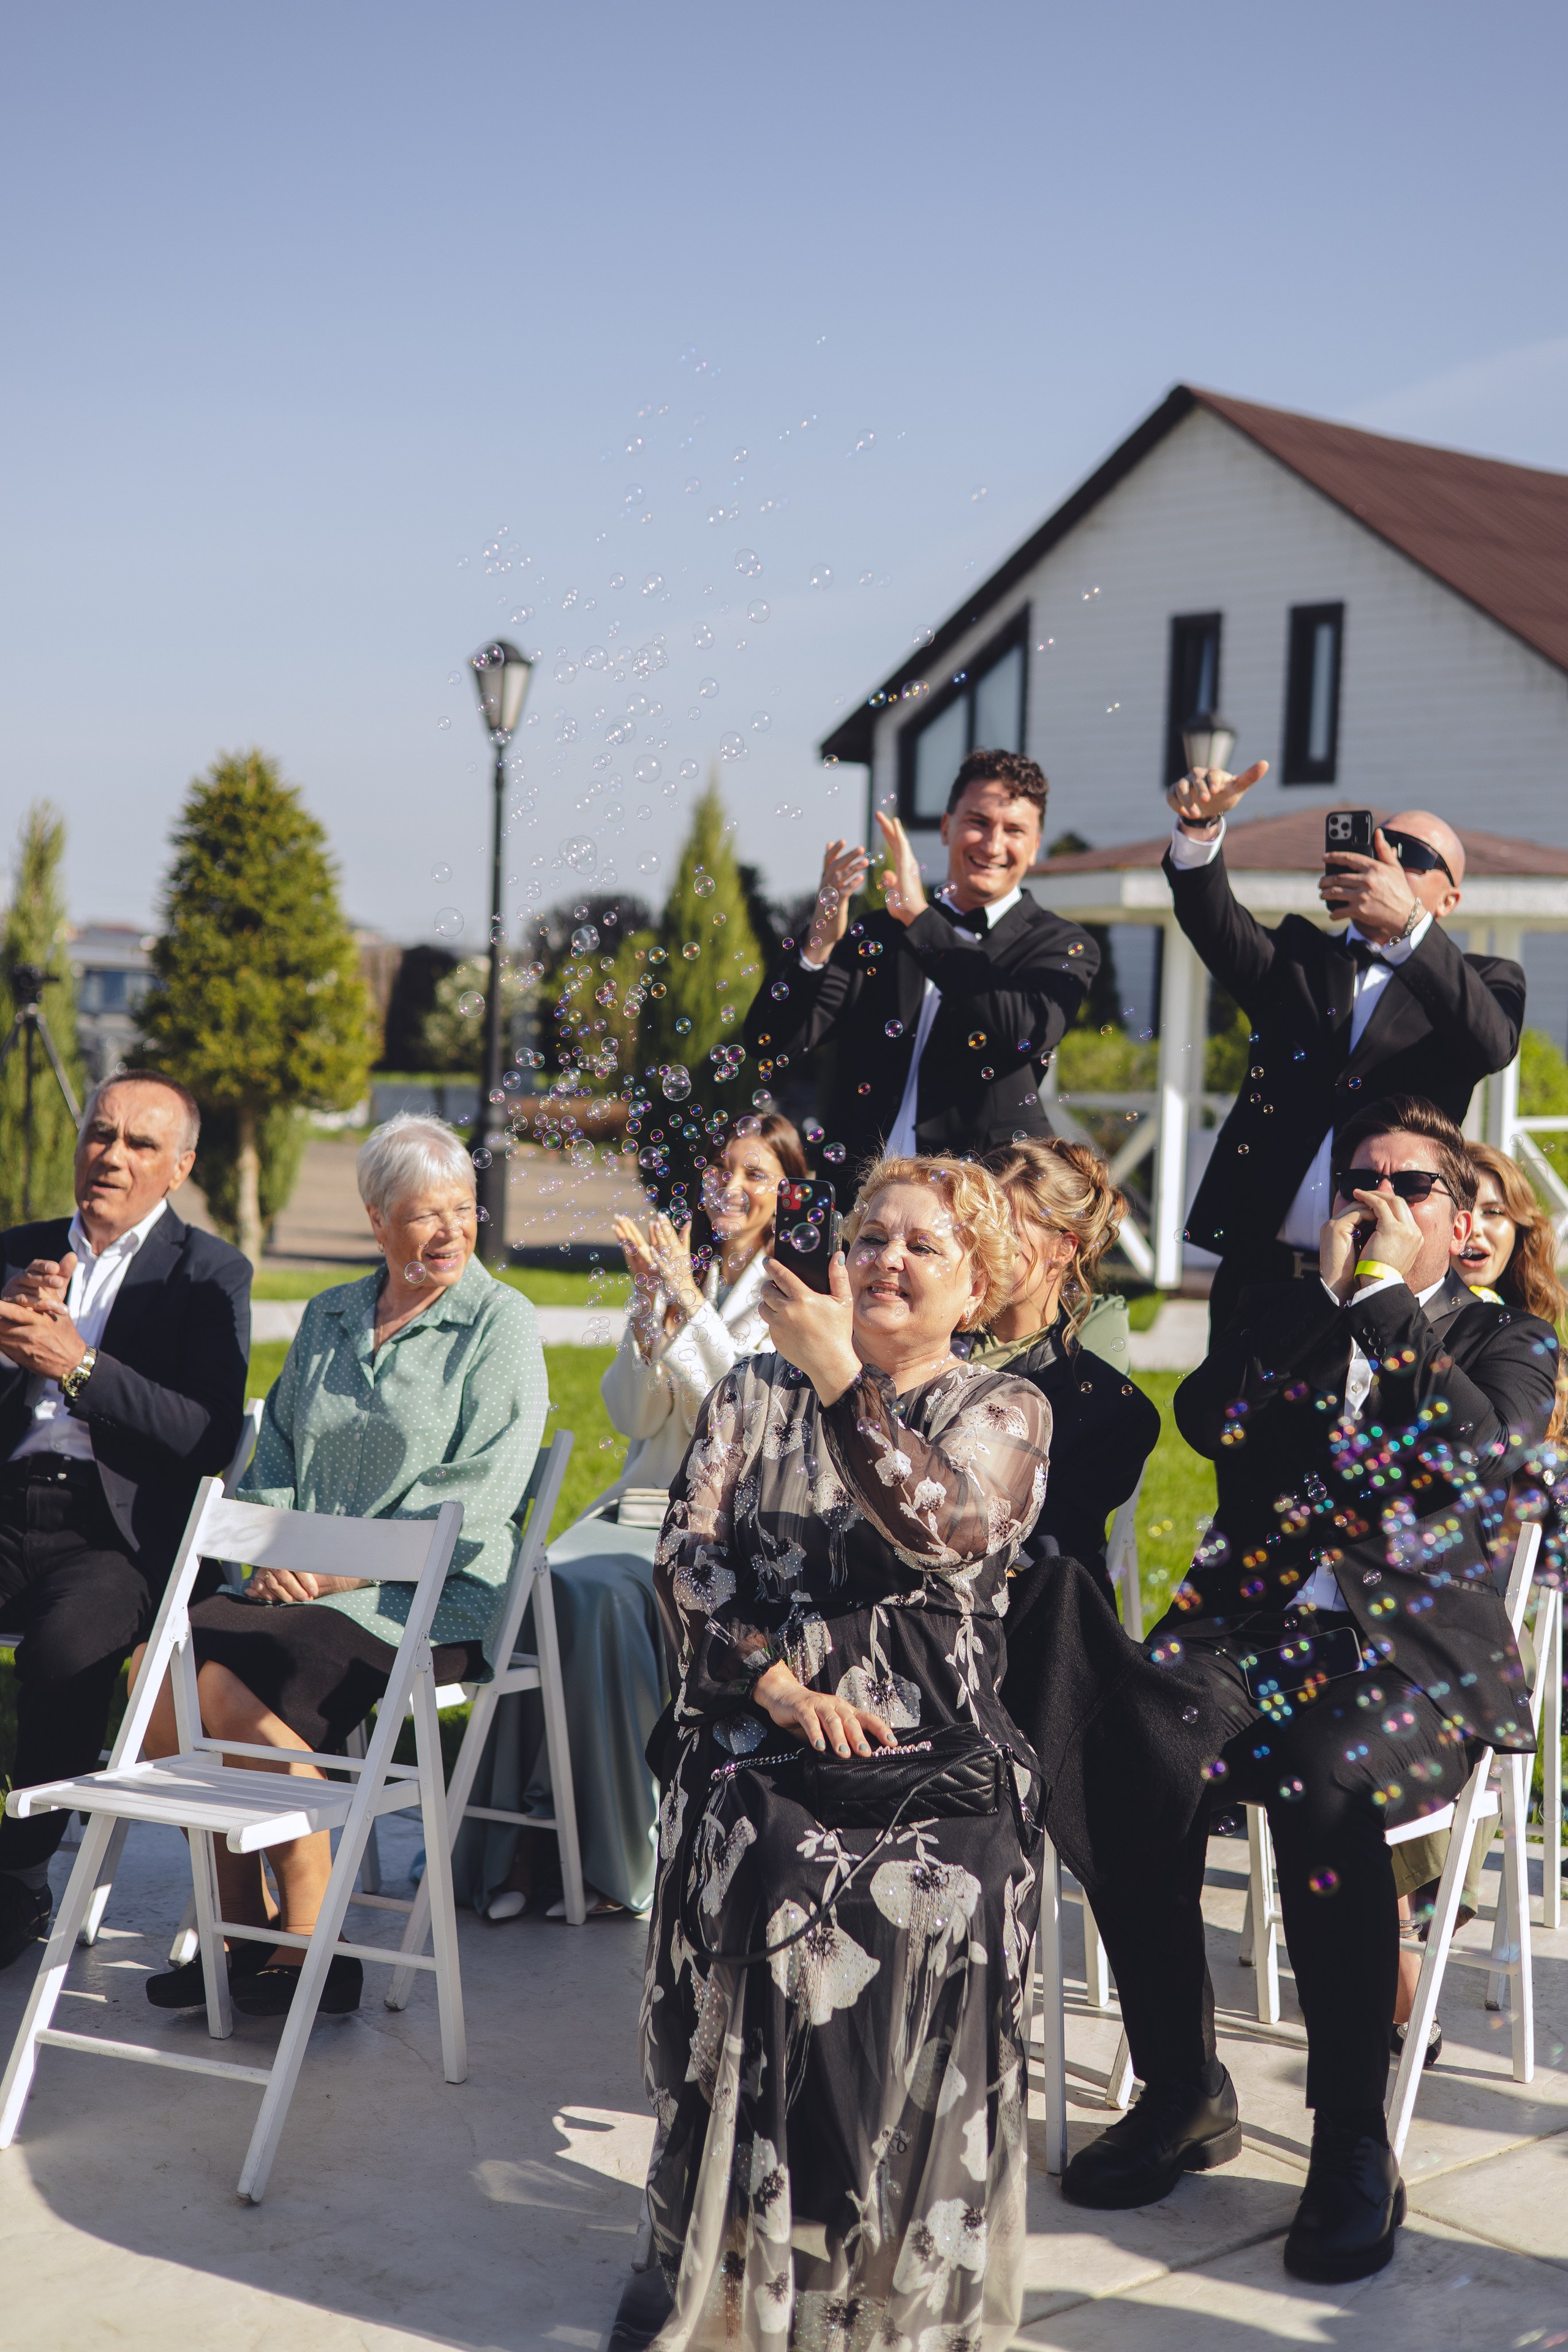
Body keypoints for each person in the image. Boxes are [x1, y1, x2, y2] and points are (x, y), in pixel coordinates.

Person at [1061, 1096, 1556, 2285]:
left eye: (1410, 1186)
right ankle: (1182, 2087)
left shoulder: (1503, 1341)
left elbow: (1473, 1454)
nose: (1377, 1201)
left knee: (1319, 1775)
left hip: (1412, 1667)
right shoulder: (1289, 1315)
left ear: (1458, 1216)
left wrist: (1387, 1307)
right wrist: (1316, 1315)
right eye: (1358, 1184)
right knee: (1125, 1735)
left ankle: (1348, 2143)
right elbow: (1208, 1422)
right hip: (1258, 1636)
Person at [627, 1155, 1050, 2348]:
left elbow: (943, 1529)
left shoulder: (1001, 1410)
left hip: (934, 1758)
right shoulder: (750, 1389)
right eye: (870, 1237)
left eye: (923, 1245)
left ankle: (868, 2257)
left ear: (976, 1284)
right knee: (767, 1863)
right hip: (765, 1737)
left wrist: (841, 1389)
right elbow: (684, 1557)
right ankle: (715, 2258)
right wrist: (765, 1679)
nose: (887, 1262)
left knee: (911, 1878)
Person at [134, 1112, 547, 2018]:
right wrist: (284, 1553)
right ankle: (246, 1933)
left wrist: (336, 1573)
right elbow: (273, 1456)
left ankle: (308, 1926)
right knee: (153, 1671)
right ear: (377, 1218)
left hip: (425, 1596)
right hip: (298, 1583)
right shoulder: (329, 1316)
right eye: (426, 1213)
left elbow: (480, 1489)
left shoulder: (499, 1324)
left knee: (220, 1690)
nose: (450, 1232)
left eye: (464, 1211)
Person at [0, 1072, 250, 1970]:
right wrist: (10, 1343)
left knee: (69, 1649)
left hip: (115, 1533)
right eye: (100, 1134)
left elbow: (210, 1432)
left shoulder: (207, 1272)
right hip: (8, 1502)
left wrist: (76, 1366)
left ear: (178, 1167)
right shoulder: (16, 1249)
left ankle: (22, 1872)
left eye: (140, 1144)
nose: (111, 1155)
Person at [1163, 757, 1524, 1338]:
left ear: (1449, 900)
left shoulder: (1485, 979)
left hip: (1390, 1275)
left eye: (1414, 854)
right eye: (1384, 842)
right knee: (1228, 1424)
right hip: (1262, 1267)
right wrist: (1200, 830)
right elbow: (1213, 923)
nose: (1390, 856)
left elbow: (1491, 1043)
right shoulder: (1300, 958)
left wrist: (1408, 928)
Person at [1385, 1137, 1568, 2051]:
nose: (1481, 1230)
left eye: (1500, 1213)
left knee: (1438, 1685)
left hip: (1492, 1600)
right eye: (1472, 1210)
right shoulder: (1393, 1321)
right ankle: (1384, 1926)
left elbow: (1499, 1461)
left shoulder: (1518, 1338)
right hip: (1388, 1589)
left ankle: (1399, 1931)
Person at [742, 748, 1098, 1168]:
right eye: (978, 822)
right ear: (947, 826)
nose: (994, 844)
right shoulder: (879, 933)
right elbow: (770, 1041)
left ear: (1035, 845)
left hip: (983, 1200)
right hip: (862, 1198)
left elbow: (1026, 1029)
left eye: (1014, 830)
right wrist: (819, 940)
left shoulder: (1060, 942)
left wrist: (920, 919)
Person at [976, 1136, 1159, 1608]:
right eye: (971, 1227)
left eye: (1005, 1232)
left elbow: (1044, 1557)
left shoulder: (1108, 1408)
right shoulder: (908, 1349)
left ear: (1061, 1250)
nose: (980, 1247)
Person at [600, 1111, 807, 1506]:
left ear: (789, 1193)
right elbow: (632, 1420)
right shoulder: (685, 1274)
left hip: (733, 1519)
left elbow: (740, 1412)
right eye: (720, 1169)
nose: (731, 1187)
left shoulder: (795, 1296)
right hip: (646, 1504)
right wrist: (647, 1306)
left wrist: (686, 1298)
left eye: (755, 1175)